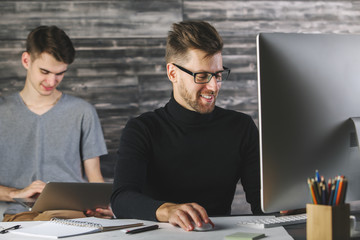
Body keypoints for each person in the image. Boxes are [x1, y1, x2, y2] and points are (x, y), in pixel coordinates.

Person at [111, 20, 262, 231]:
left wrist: (287, 206)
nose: (213, 86)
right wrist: (168, 210)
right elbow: (121, 199)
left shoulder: (241, 127)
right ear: (173, 73)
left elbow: (262, 203)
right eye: (202, 76)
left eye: (218, 75)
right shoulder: (142, 129)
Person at [0, 25, 112, 221]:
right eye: (44, 71)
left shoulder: (83, 112)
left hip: (71, 214)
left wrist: (104, 206)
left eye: (60, 73)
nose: (52, 81)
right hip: (14, 214)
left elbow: (95, 178)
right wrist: (15, 193)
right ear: (26, 60)